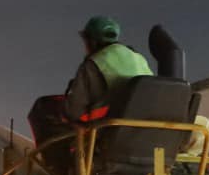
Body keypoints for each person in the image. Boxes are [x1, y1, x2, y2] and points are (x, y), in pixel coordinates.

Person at [27, 16, 154, 145]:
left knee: (45, 112)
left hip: (110, 137)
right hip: (149, 135)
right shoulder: (139, 58)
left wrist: (64, 112)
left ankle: (59, 164)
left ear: (91, 41)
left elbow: (73, 112)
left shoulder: (94, 63)